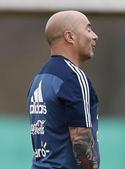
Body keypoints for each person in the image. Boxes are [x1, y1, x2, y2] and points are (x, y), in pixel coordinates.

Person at [27, 11, 99, 169]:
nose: (94, 36)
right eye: (88, 29)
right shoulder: (74, 78)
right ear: (70, 36)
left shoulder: (39, 79)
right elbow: (81, 143)